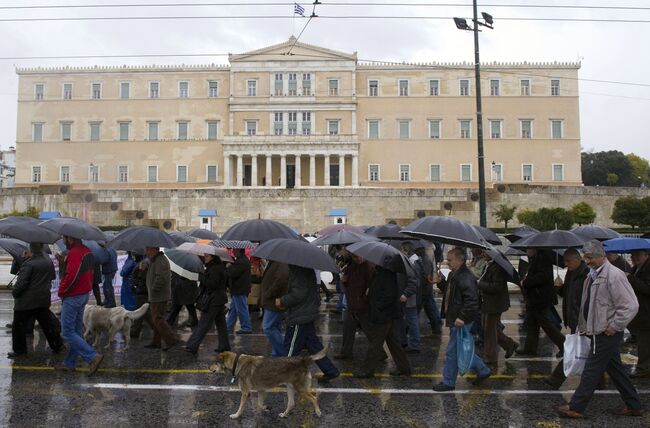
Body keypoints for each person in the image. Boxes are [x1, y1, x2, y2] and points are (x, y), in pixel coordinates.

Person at [558, 240, 643, 418]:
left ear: (601, 256)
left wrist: (614, 326)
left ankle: (577, 406)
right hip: (599, 330)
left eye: (590, 258)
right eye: (586, 258)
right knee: (616, 370)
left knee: (591, 370)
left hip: (606, 331)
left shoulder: (614, 275)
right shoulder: (594, 274)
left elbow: (630, 306)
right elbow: (588, 304)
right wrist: (584, 326)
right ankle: (634, 404)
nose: (587, 261)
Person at [433, 247, 491, 392]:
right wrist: (440, 282)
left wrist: (462, 317)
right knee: (461, 349)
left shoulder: (465, 276)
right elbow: (450, 291)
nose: (447, 262)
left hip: (461, 319)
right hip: (456, 318)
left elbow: (472, 301)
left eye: (450, 259)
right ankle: (483, 370)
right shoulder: (456, 274)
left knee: (453, 351)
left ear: (460, 259)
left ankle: (448, 382)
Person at [277, 265, 340, 384]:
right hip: (307, 313)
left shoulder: (299, 272)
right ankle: (330, 370)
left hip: (299, 316)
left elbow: (298, 294)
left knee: (290, 348)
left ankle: (286, 375)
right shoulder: (305, 269)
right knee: (314, 346)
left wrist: (283, 300)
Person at [55, 236, 103, 374]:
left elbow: (72, 276)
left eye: (64, 238)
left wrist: (62, 290)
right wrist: (63, 263)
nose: (63, 241)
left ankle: (92, 356)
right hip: (82, 294)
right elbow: (82, 273)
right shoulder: (86, 251)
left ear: (70, 238)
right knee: (76, 332)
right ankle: (69, 363)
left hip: (73, 296)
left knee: (67, 331)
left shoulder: (75, 253)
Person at [354, 262, 411, 379]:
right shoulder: (379, 271)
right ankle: (404, 368)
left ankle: (367, 370)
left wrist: (376, 305)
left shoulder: (385, 273)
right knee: (393, 342)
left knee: (375, 343)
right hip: (385, 313)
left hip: (384, 314)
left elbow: (389, 295)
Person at [9, 243, 63, 359]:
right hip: (43, 298)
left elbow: (21, 284)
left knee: (18, 326)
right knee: (47, 324)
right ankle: (57, 345)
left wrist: (14, 293)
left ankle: (19, 350)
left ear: (30, 249)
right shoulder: (47, 259)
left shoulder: (29, 263)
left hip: (27, 301)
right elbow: (53, 276)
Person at [545, 248, 590, 389]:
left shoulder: (586, 274)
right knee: (588, 351)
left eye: (568, 261)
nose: (566, 263)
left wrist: (584, 320)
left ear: (578, 259)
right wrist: (559, 287)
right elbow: (567, 294)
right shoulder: (572, 273)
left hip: (583, 320)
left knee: (574, 350)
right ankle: (598, 381)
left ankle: (556, 379)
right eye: (565, 260)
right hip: (574, 318)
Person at [516, 248, 565, 357]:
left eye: (529, 248)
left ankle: (564, 345)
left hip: (540, 298)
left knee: (546, 324)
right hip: (535, 298)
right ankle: (530, 348)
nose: (527, 251)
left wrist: (526, 281)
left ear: (535, 249)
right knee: (532, 324)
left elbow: (541, 277)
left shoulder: (542, 260)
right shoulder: (535, 259)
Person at [477, 251, 518, 365]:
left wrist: (480, 284)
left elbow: (497, 287)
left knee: (489, 330)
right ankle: (509, 344)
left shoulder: (497, 268)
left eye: (485, 253)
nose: (483, 255)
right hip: (487, 302)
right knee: (490, 328)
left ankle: (491, 357)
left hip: (494, 304)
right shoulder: (489, 265)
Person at [185, 253, 230, 354]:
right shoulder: (218, 267)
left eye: (207, 256)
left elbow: (212, 284)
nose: (204, 258)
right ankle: (224, 345)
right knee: (221, 325)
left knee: (203, 324)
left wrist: (201, 277)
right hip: (219, 300)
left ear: (213, 257)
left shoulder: (214, 269)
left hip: (213, 300)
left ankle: (192, 346)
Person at [334, 254, 374, 360]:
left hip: (363, 304)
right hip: (352, 303)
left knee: (369, 330)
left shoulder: (368, 267)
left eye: (359, 256)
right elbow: (347, 284)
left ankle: (379, 352)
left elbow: (372, 285)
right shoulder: (350, 267)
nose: (358, 258)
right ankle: (346, 352)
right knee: (347, 328)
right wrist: (344, 281)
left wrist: (365, 298)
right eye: (355, 257)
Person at [144, 246, 177, 350]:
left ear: (154, 249)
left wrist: (153, 289)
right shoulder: (156, 260)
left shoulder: (160, 260)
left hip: (159, 295)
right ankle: (156, 341)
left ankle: (171, 340)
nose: (146, 251)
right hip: (156, 295)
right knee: (156, 319)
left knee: (158, 319)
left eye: (147, 249)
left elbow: (160, 277)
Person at [627, 249, 650, 378]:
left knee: (645, 341)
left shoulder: (647, 268)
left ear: (646, 255)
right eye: (632, 254)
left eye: (637, 254)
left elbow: (647, 288)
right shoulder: (636, 268)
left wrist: (630, 278)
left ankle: (644, 368)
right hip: (642, 311)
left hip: (647, 312)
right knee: (643, 340)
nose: (634, 257)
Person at [260, 260, 289, 357]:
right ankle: (276, 353)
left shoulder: (280, 262)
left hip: (274, 301)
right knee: (275, 327)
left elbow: (282, 279)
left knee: (268, 327)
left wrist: (269, 293)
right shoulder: (275, 262)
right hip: (273, 300)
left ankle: (283, 352)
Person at [397, 242, 421, 353]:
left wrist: (406, 294)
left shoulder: (412, 263)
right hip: (406, 296)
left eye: (401, 250)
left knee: (412, 320)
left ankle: (414, 345)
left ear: (406, 251)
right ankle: (403, 341)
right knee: (404, 320)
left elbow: (414, 282)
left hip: (409, 297)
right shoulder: (410, 261)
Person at [415, 246, 442, 335]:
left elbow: (426, 276)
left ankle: (436, 326)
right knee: (429, 308)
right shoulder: (424, 258)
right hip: (426, 289)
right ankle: (436, 326)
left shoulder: (425, 259)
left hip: (424, 289)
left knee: (417, 312)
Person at [226, 248, 253, 334]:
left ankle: (246, 327)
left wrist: (229, 267)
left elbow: (233, 273)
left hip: (239, 289)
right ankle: (228, 326)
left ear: (239, 251)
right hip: (239, 289)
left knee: (241, 309)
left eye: (234, 250)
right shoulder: (242, 260)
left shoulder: (241, 262)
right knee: (233, 309)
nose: (233, 251)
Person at [129, 257, 150, 338]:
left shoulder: (143, 263)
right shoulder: (150, 261)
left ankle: (135, 331)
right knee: (144, 312)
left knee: (141, 312)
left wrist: (135, 287)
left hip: (142, 291)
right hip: (146, 291)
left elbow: (140, 277)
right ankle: (135, 331)